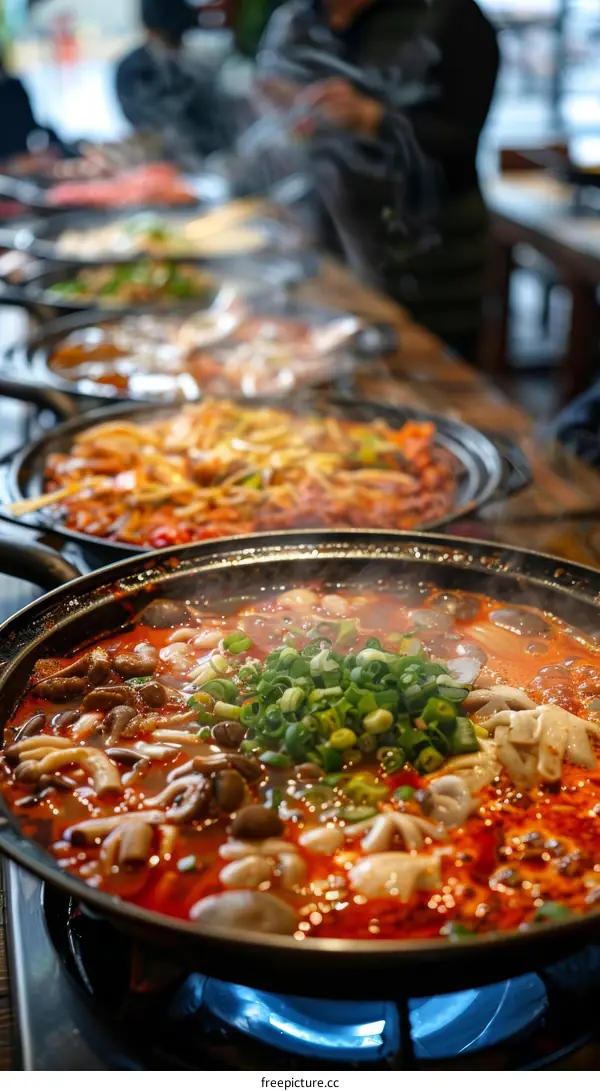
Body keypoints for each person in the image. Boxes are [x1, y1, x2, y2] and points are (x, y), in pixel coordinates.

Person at [255, 0, 499, 361]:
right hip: (320, 250)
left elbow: (460, 138)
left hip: (429, 262)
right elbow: (267, 118)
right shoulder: (294, 20)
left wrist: (374, 118)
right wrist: (279, 109)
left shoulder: (450, 15)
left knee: (431, 385)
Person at [115, 0, 223, 166]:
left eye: (178, 40)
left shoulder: (198, 67)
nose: (175, 48)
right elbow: (148, 124)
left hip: (206, 159)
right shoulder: (133, 71)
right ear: (150, 33)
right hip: (156, 160)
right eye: (169, 40)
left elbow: (214, 123)